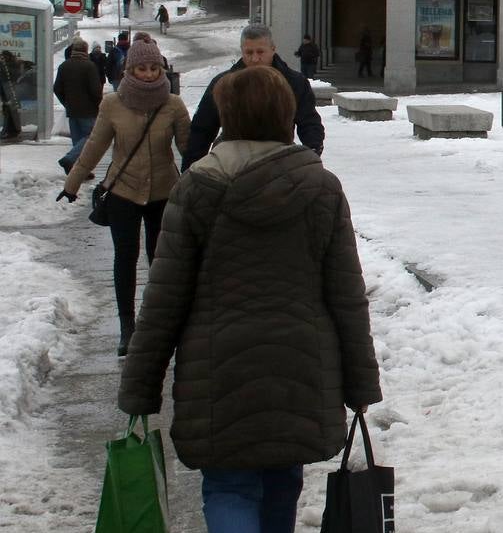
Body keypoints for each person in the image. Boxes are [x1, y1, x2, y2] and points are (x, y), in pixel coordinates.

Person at [117, 65, 381, 533]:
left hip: (217, 364)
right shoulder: (319, 187)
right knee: (282, 482)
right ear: (286, 116)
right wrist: (361, 382)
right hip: (301, 360)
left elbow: (165, 297)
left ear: (228, 117)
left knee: (229, 487)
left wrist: (142, 384)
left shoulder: (197, 187)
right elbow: (347, 294)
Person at [56, 40, 191, 354]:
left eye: (154, 68)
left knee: (160, 261)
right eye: (142, 68)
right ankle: (127, 327)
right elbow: (94, 146)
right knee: (125, 258)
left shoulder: (173, 105)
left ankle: (158, 323)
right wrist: (72, 183)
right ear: (129, 70)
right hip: (123, 192)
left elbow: (189, 150)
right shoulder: (113, 104)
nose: (148, 74)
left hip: (162, 192)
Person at [183, 24, 323, 170]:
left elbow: (309, 122)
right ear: (242, 51)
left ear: (273, 49)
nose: (255, 59)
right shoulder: (224, 84)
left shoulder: (294, 82)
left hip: (279, 162)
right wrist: (190, 170)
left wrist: (312, 155)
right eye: (249, 52)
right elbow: (202, 129)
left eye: (260, 52)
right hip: (233, 164)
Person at [53, 38, 103, 173]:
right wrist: (99, 104)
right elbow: (96, 91)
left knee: (77, 141)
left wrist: (66, 103)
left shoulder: (64, 66)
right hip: (88, 111)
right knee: (91, 137)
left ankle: (78, 171)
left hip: (72, 110)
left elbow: (57, 88)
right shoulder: (89, 66)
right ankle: (69, 159)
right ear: (86, 51)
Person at [0, 50, 22, 140]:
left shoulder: (8, 67)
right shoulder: (12, 65)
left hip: (9, 92)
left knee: (9, 112)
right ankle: (12, 130)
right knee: (11, 111)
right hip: (10, 92)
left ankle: (9, 131)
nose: (1, 59)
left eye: (2, 57)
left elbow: (7, 79)